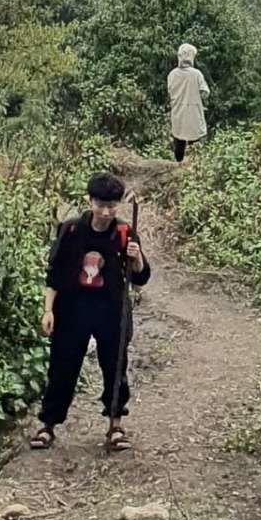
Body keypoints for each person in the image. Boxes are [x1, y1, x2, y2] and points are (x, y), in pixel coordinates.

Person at [29, 171, 151, 451]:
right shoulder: (71, 230)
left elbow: (141, 277)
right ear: (90, 201)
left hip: (111, 310)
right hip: (72, 308)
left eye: (112, 206)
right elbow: (54, 273)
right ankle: (48, 425)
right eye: (101, 204)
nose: (106, 211)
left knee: (115, 365)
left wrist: (137, 257)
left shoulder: (124, 233)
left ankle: (116, 424)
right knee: (62, 366)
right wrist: (48, 310)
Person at [167, 41, 210, 163]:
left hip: (178, 113)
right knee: (194, 143)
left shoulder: (172, 74)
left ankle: (177, 165)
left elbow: (170, 92)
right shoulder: (196, 74)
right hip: (193, 114)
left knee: (179, 140)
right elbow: (205, 92)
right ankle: (193, 169)